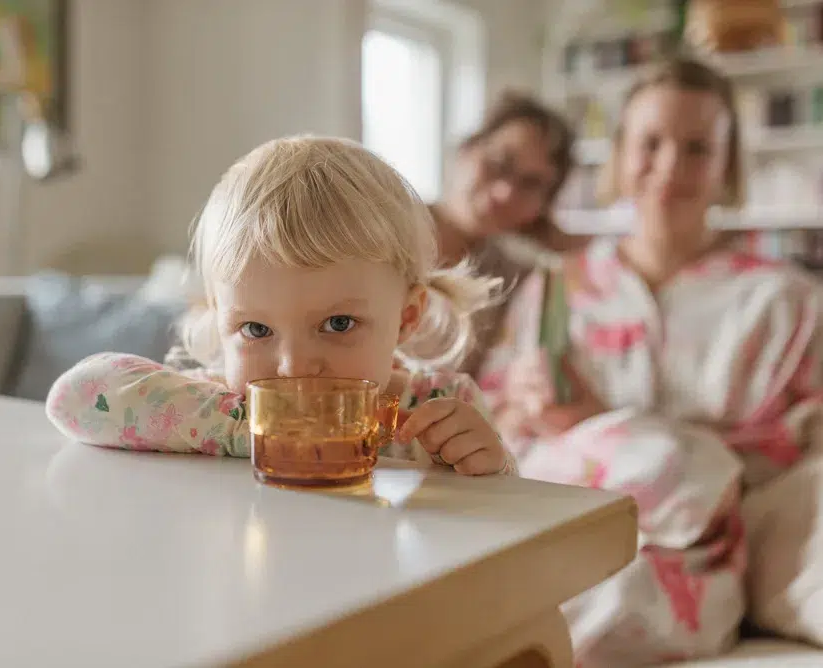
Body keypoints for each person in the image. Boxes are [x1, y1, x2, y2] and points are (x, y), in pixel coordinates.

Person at [478, 57, 823, 665]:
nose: (670, 167)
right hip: (568, 528)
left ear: (728, 165)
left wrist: (607, 424)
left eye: (698, 148)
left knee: (633, 572)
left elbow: (797, 459)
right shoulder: (557, 288)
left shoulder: (786, 299)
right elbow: (488, 431)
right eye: (651, 143)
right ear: (617, 156)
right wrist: (520, 408)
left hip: (705, 557)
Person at [46, 136, 516, 477]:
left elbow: (509, 522)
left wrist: (490, 466)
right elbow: (76, 399)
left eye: (337, 323)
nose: (292, 368)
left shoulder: (440, 409)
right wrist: (254, 428)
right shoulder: (214, 404)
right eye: (255, 330)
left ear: (406, 319)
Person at [432, 92, 584, 370]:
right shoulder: (384, 229)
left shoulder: (511, 279)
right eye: (499, 163)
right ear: (467, 148)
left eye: (531, 184)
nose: (504, 193)